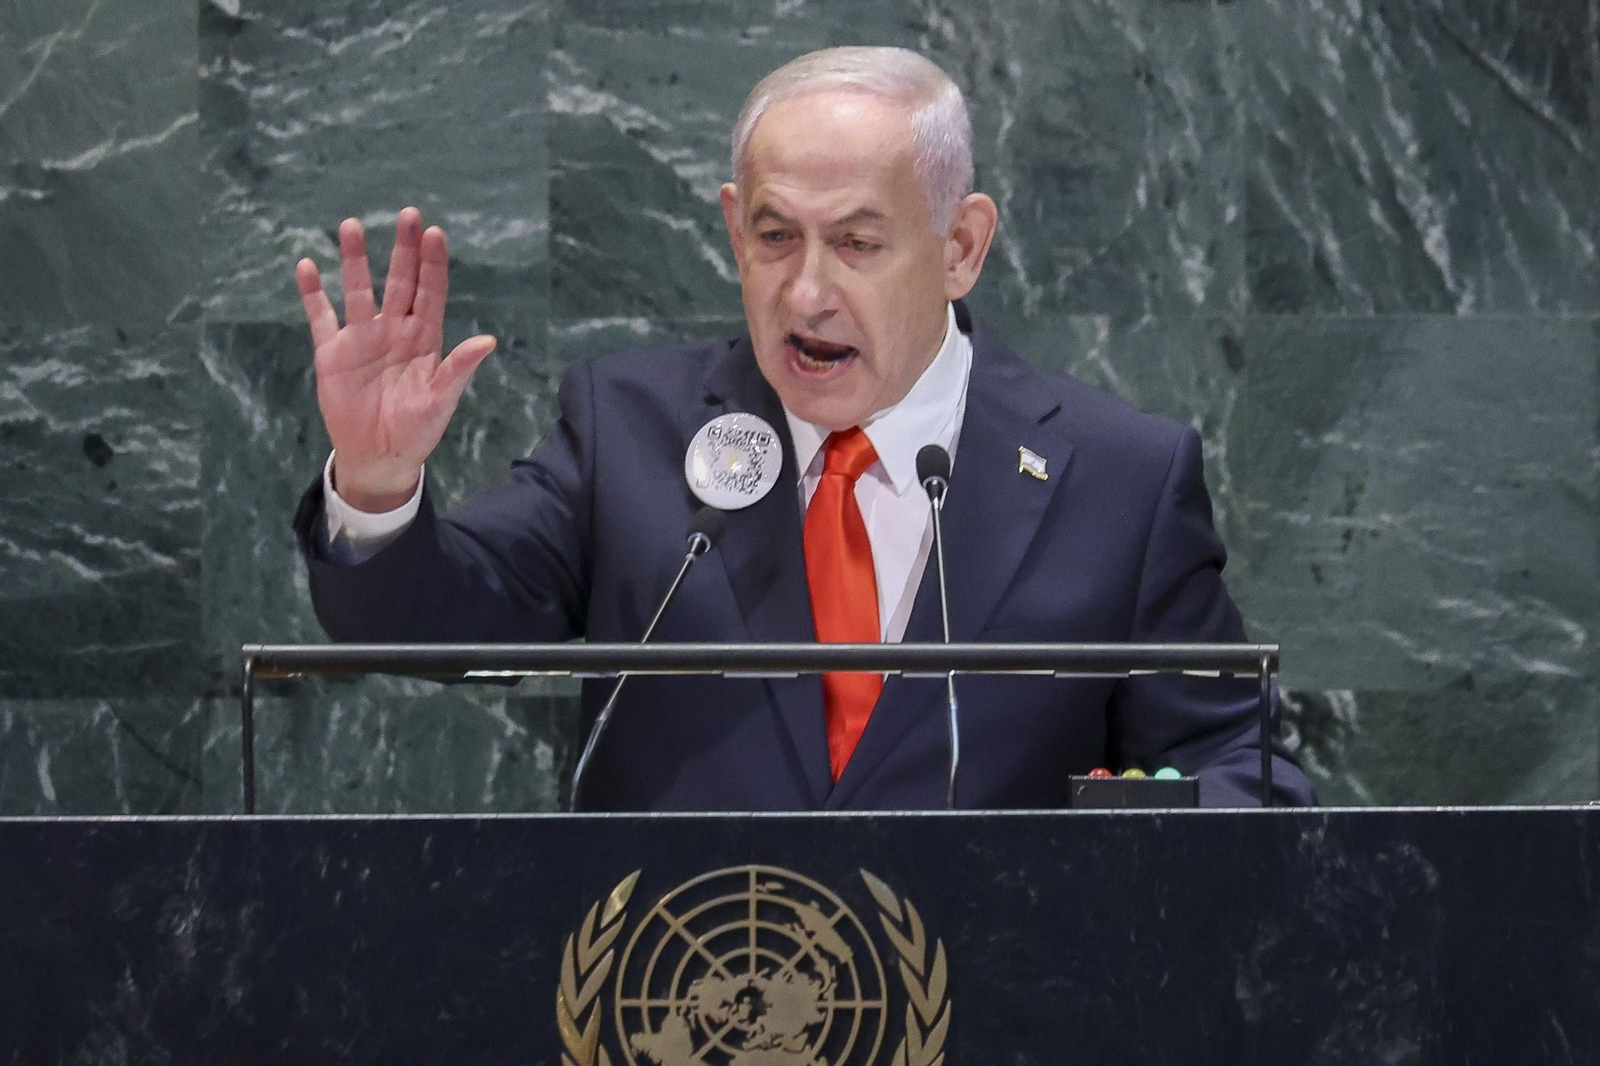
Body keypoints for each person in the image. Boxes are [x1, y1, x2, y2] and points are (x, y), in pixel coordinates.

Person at [292, 47, 1314, 810]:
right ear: (734, 228)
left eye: (859, 243)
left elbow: (1242, 769)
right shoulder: (629, 432)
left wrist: (1104, 854)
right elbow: (441, 619)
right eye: (775, 239)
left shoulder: (1117, 479)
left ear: (959, 245)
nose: (807, 292)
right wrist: (377, 488)